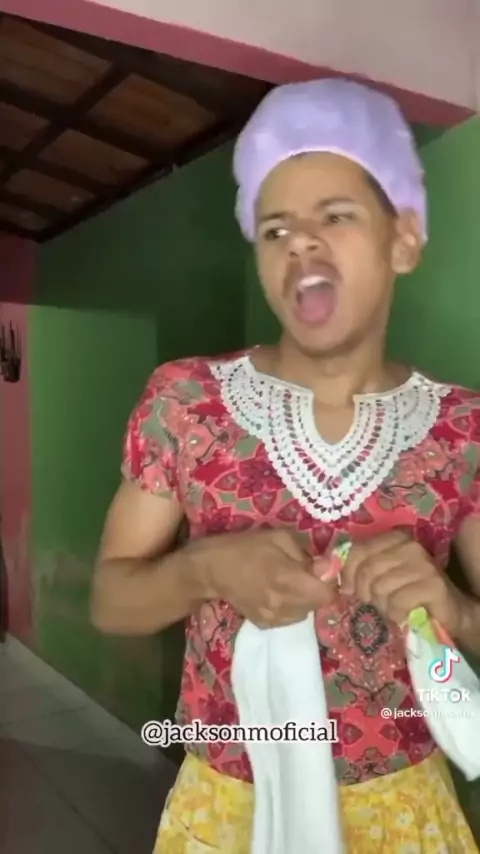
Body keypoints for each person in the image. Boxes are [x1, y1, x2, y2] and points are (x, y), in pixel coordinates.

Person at [91, 78, 480, 852]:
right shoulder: (187, 404)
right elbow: (110, 599)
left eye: (335, 215)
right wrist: (204, 569)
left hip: (402, 815)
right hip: (229, 812)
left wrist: (453, 608)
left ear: (403, 239)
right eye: (276, 229)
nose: (300, 243)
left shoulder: (463, 431)